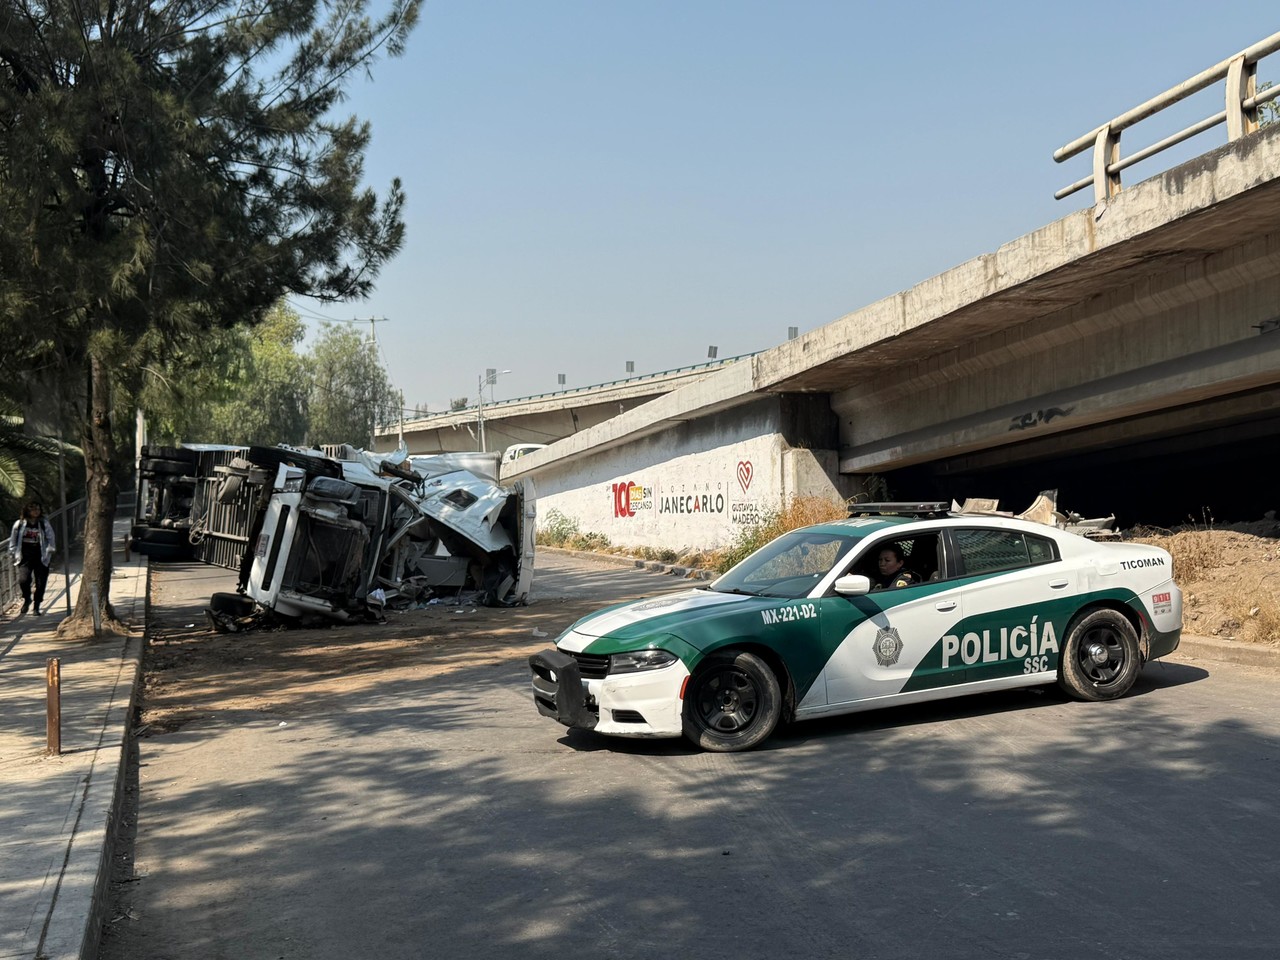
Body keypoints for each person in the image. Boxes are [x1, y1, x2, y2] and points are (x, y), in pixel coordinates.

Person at [10, 501, 55, 616]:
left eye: (38, 509)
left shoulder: (43, 523)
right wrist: (13, 552)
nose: (36, 512)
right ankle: (27, 598)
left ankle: (37, 606)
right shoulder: (19, 524)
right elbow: (13, 540)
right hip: (25, 557)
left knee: (41, 583)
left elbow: (51, 537)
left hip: (41, 557)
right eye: (34, 509)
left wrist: (50, 550)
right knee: (23, 580)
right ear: (27, 511)